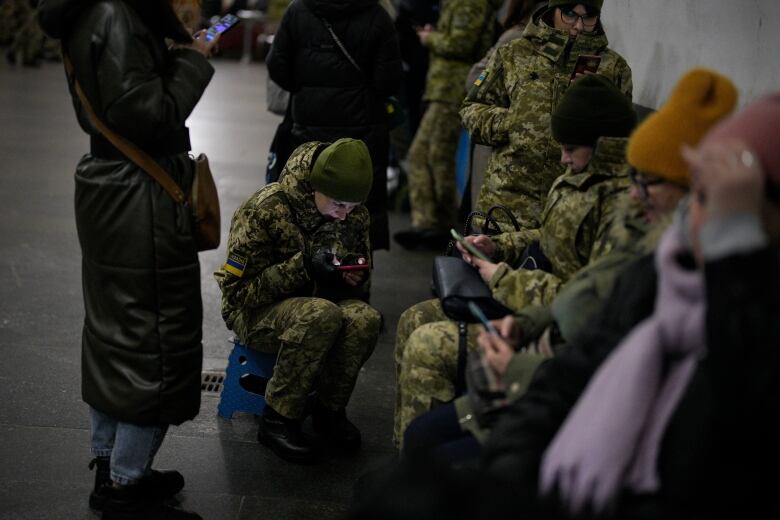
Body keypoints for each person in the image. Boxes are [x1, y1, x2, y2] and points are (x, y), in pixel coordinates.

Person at [37, 1, 217, 519]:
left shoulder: (97, 10)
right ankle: (124, 485)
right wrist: (192, 59)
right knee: (151, 341)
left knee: (118, 330)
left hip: (115, 187)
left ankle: (112, 464)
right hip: (138, 195)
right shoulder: (116, 14)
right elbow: (147, 114)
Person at [393, 73, 637, 448]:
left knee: (429, 344)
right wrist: (499, 245)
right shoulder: (580, 176)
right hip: (530, 303)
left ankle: (424, 476)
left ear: (604, 146)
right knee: (413, 319)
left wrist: (500, 277)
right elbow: (548, 233)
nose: (563, 158)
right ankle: (404, 462)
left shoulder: (622, 206)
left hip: (554, 329)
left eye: (571, 148)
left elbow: (588, 300)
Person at [214, 138, 382, 464]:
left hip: (320, 303)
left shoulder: (353, 214)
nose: (344, 216)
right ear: (314, 187)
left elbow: (358, 281)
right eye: (338, 205)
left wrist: (349, 278)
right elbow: (237, 294)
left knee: (365, 319)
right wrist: (302, 267)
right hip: (255, 313)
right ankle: (279, 418)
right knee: (318, 315)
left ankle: (328, 410)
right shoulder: (264, 210)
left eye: (352, 206)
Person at [460, 0, 632, 233]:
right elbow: (472, 106)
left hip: (570, 213)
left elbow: (622, 139)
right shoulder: (513, 53)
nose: (578, 26)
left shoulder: (613, 68)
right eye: (570, 14)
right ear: (553, 11)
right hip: (507, 205)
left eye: (588, 16)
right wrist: (508, 124)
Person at [266, 0, 402, 251]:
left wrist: (307, 89)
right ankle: (353, 277)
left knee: (309, 203)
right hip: (362, 133)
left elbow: (277, 65)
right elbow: (389, 81)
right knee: (356, 212)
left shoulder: (297, 11)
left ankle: (304, 274)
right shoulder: (377, 16)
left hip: (308, 129)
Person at [393, 0, 503, 250]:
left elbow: (462, 44)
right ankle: (430, 222)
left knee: (434, 155)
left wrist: (429, 38)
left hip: (451, 90)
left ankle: (439, 224)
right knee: (424, 155)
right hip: (441, 88)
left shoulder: (470, 4)